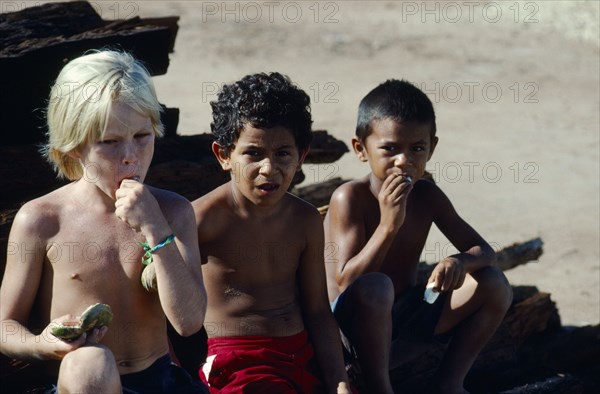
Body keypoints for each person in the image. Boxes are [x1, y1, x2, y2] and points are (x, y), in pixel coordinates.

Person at [0, 50, 208, 393]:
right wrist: (42, 343)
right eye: (109, 142)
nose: (130, 156)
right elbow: (5, 326)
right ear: (73, 148)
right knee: (91, 362)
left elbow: (188, 323)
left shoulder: (172, 212)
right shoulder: (42, 221)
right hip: (82, 383)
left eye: (143, 137)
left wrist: (156, 230)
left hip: (159, 381)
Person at [324, 79, 513, 394]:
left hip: (405, 316)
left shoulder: (426, 195)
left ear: (432, 148)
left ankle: (449, 383)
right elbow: (346, 283)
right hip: (350, 327)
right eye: (390, 148)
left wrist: (460, 262)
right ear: (360, 149)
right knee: (377, 285)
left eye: (417, 148)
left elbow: (485, 252)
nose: (404, 160)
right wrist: (388, 225)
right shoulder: (349, 198)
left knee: (494, 283)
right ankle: (380, 388)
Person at [193, 72, 350, 393]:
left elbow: (318, 310)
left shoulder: (305, 219)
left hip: (301, 355)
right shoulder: (201, 219)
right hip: (236, 363)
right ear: (224, 156)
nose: (269, 168)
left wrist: (339, 381)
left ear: (301, 156)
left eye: (282, 153)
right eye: (253, 153)